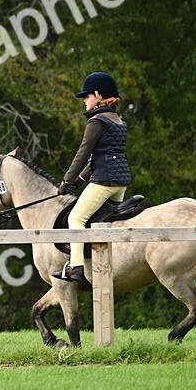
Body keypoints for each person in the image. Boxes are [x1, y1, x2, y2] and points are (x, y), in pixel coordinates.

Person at [52, 71, 132, 285]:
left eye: (87, 96)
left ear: (98, 95)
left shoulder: (97, 121)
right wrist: (78, 181)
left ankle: (76, 267)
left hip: (104, 182)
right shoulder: (119, 121)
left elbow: (83, 153)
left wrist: (67, 181)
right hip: (120, 183)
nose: (85, 101)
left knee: (75, 218)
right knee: (98, 221)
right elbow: (98, 159)